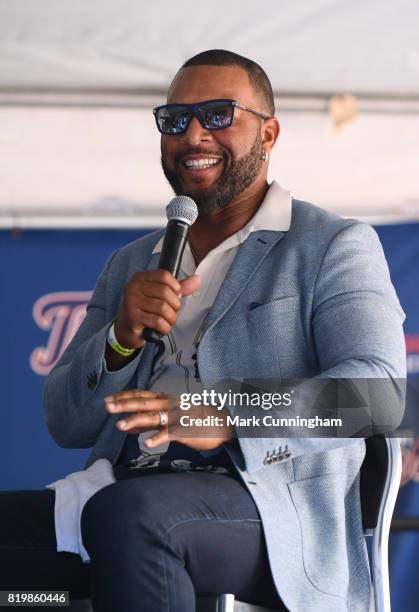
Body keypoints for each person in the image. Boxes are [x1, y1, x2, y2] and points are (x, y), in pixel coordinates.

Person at [0, 49, 406, 612]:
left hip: (267, 511)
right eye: (175, 120)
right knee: (29, 571)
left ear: (269, 133)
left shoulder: (330, 244)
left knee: (134, 520)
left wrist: (227, 417)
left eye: (218, 114)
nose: (193, 134)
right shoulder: (132, 262)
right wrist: (118, 339)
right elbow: (66, 422)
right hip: (120, 489)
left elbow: (377, 397)